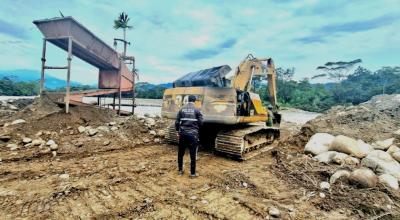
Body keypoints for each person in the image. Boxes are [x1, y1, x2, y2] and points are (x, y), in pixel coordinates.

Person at [175, 95, 203, 178]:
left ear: (188, 100)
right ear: (195, 101)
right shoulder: (197, 110)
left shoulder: (181, 109)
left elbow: (177, 122)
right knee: (193, 154)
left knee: (181, 153)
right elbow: (201, 123)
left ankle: (180, 170)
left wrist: (177, 131)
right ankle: (192, 173)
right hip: (193, 134)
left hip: (182, 134)